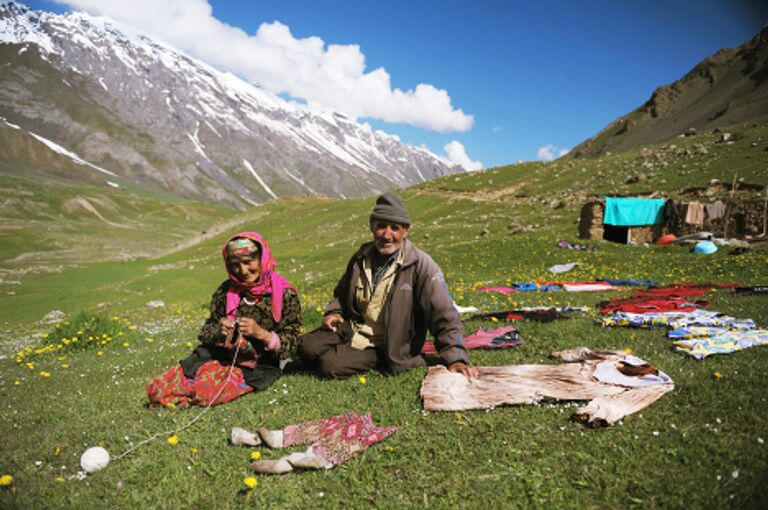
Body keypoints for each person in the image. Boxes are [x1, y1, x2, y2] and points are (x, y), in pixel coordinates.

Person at [298, 192, 477, 378]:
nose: (387, 235)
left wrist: (456, 358)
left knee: (330, 365)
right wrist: (334, 313)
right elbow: (342, 293)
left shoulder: (421, 265)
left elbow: (443, 314)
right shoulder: (361, 257)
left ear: (406, 231)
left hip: (389, 343)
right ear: (371, 226)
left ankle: (395, 360)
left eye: (395, 228)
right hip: (353, 328)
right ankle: (340, 350)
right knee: (304, 347)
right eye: (381, 226)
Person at [146, 231, 302, 407]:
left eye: (248, 262)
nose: (242, 271)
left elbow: (294, 342)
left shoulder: (284, 294)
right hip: (217, 357)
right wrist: (219, 331)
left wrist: (263, 334)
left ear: (262, 259)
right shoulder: (225, 291)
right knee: (158, 389)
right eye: (235, 265)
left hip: (255, 366)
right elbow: (206, 331)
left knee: (205, 393)